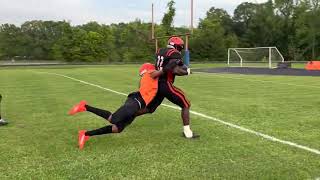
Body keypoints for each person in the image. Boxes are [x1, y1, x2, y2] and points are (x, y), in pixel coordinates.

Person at [69, 62, 176, 149]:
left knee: (117, 128)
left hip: (137, 104)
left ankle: (85, 134)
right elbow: (163, 71)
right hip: (136, 100)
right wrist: (173, 64)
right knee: (114, 119)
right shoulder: (150, 74)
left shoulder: (151, 78)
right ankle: (85, 106)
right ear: (150, 69)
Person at [145, 36, 199, 139]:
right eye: (180, 47)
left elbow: (168, 65)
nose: (180, 49)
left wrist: (183, 67)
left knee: (150, 108)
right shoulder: (174, 53)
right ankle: (187, 133)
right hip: (165, 83)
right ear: (176, 46)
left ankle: (128, 115)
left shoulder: (160, 51)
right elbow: (174, 70)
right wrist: (187, 72)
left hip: (157, 82)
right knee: (185, 104)